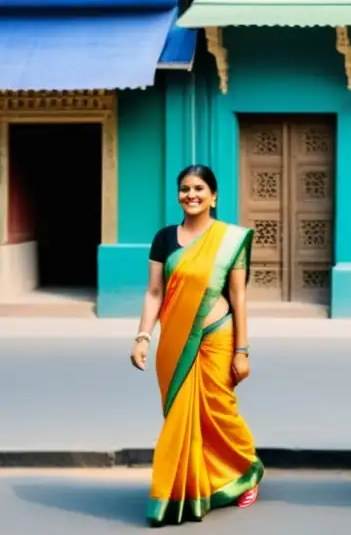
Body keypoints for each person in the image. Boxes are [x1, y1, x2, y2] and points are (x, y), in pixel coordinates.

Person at [130, 165, 263, 526]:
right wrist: (143, 336)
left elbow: (238, 296)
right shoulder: (164, 238)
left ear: (213, 196)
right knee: (180, 416)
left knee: (220, 410)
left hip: (217, 334)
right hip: (174, 340)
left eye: (199, 188)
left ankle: (245, 470)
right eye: (185, 189)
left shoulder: (229, 239)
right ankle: (188, 483)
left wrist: (242, 350)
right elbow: (154, 292)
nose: (191, 195)